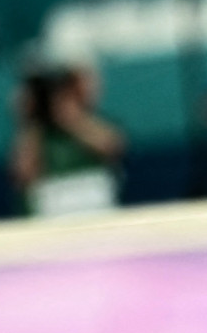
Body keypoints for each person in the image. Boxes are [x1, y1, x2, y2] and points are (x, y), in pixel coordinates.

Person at [9, 59, 128, 216]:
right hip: (48, 215)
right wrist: (30, 120)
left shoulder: (91, 124)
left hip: (93, 210)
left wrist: (69, 116)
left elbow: (112, 146)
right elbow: (23, 173)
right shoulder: (36, 134)